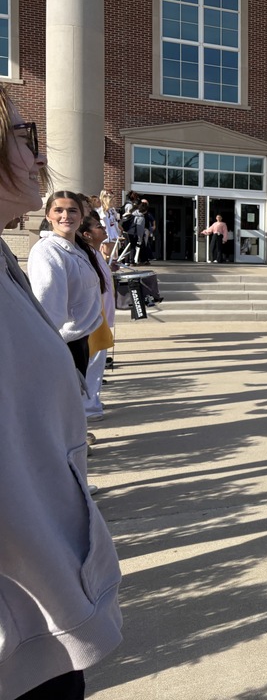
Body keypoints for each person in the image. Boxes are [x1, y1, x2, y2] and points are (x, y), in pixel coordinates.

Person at [0, 86, 123, 700]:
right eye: (22, 137)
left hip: (39, 599)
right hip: (19, 616)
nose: (36, 154)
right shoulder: (43, 258)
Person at [28, 191, 106, 380]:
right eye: (58, 210)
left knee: (75, 404)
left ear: (81, 216)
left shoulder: (79, 249)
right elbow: (47, 304)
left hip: (80, 341)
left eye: (72, 211)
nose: (65, 216)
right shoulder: (47, 251)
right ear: (48, 215)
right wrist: (51, 348)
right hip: (61, 343)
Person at [80, 214, 116, 421]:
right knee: (91, 364)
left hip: (101, 319)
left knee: (97, 364)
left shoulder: (95, 254)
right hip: (92, 320)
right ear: (86, 234)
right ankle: (88, 407)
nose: (103, 228)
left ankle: (92, 401)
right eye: (97, 226)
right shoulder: (86, 256)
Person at [98, 189, 121, 262]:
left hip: (113, 235)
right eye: (112, 199)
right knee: (106, 258)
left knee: (113, 258)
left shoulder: (112, 211)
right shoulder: (101, 211)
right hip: (107, 236)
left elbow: (114, 223)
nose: (114, 201)